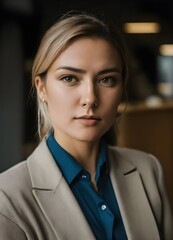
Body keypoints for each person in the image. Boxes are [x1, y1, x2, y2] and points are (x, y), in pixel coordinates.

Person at [0, 11, 172, 240]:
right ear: (42, 88)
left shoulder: (148, 170)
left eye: (106, 79)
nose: (90, 98)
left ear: (122, 89)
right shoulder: (8, 197)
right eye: (70, 78)